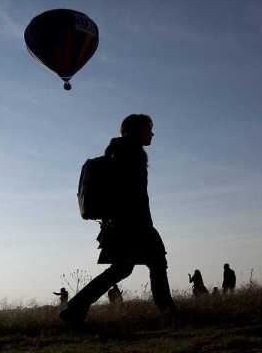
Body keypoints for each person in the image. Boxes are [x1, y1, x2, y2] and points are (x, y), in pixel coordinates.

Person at [60, 114, 177, 324]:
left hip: (120, 224)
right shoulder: (132, 154)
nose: (152, 133)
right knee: (154, 262)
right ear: (136, 131)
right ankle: (168, 312)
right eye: (148, 129)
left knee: (124, 268)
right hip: (132, 224)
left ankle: (74, 308)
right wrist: (142, 224)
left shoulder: (119, 152)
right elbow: (132, 195)